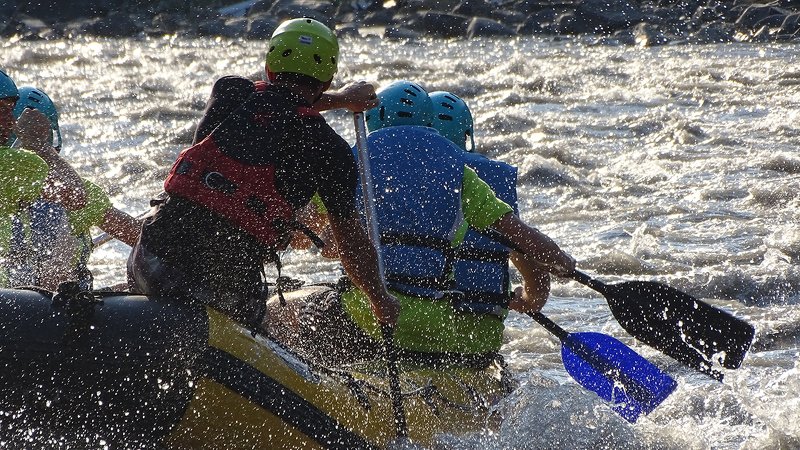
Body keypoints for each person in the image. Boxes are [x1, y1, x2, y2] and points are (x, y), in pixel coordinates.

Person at [267, 81, 575, 368]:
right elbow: (526, 243)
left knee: (276, 312)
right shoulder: (461, 173)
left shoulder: (353, 161)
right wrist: (561, 261)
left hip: (372, 318)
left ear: (373, 120)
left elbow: (300, 237)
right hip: (439, 326)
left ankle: (296, 381)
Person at [127, 18, 399, 329]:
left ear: (269, 68)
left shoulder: (229, 93)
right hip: (220, 289)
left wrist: (341, 99)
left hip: (151, 261)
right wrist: (380, 300)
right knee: (267, 320)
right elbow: (350, 243)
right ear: (326, 81)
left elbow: (277, 100)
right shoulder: (330, 149)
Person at [7, 87, 142, 291]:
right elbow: (147, 242)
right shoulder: (78, 191)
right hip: (57, 303)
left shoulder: (6, 179)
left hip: (18, 300)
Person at [0, 69, 88, 287]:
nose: (11, 121)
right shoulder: (15, 165)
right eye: (3, 111)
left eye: (11, 110)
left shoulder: (17, 166)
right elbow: (77, 196)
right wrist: (40, 146)